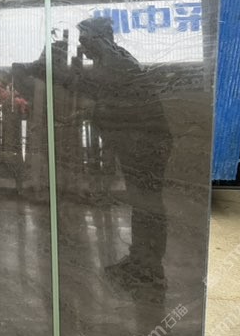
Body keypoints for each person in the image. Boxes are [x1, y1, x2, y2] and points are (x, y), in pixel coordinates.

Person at [73, 16, 171, 292]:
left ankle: (151, 270)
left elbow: (104, 97)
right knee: (141, 204)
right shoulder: (112, 61)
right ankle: (140, 260)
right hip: (137, 144)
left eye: (85, 40)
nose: (82, 46)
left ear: (100, 38)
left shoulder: (115, 63)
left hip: (146, 144)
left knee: (148, 205)